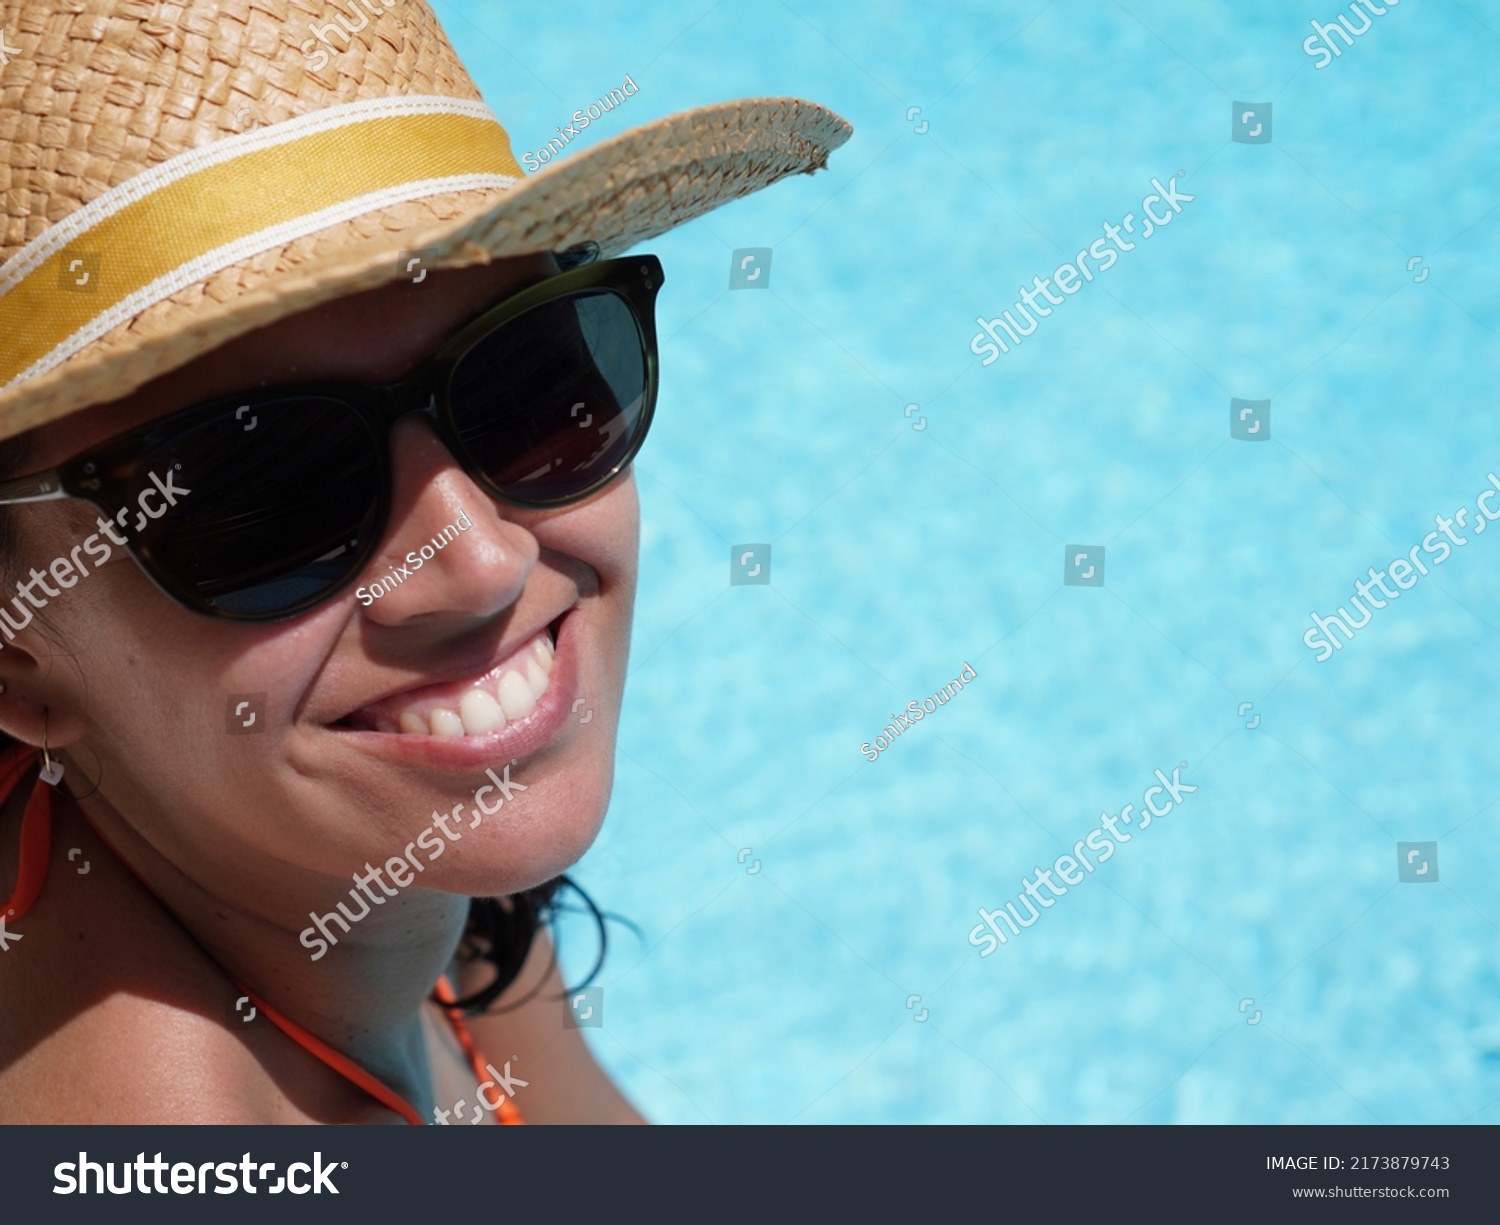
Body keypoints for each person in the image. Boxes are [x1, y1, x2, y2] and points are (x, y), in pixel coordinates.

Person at [0, 0, 850, 1123]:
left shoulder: (369, 866)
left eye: (531, 385)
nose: (482, 563)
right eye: (267, 490)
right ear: (22, 662)